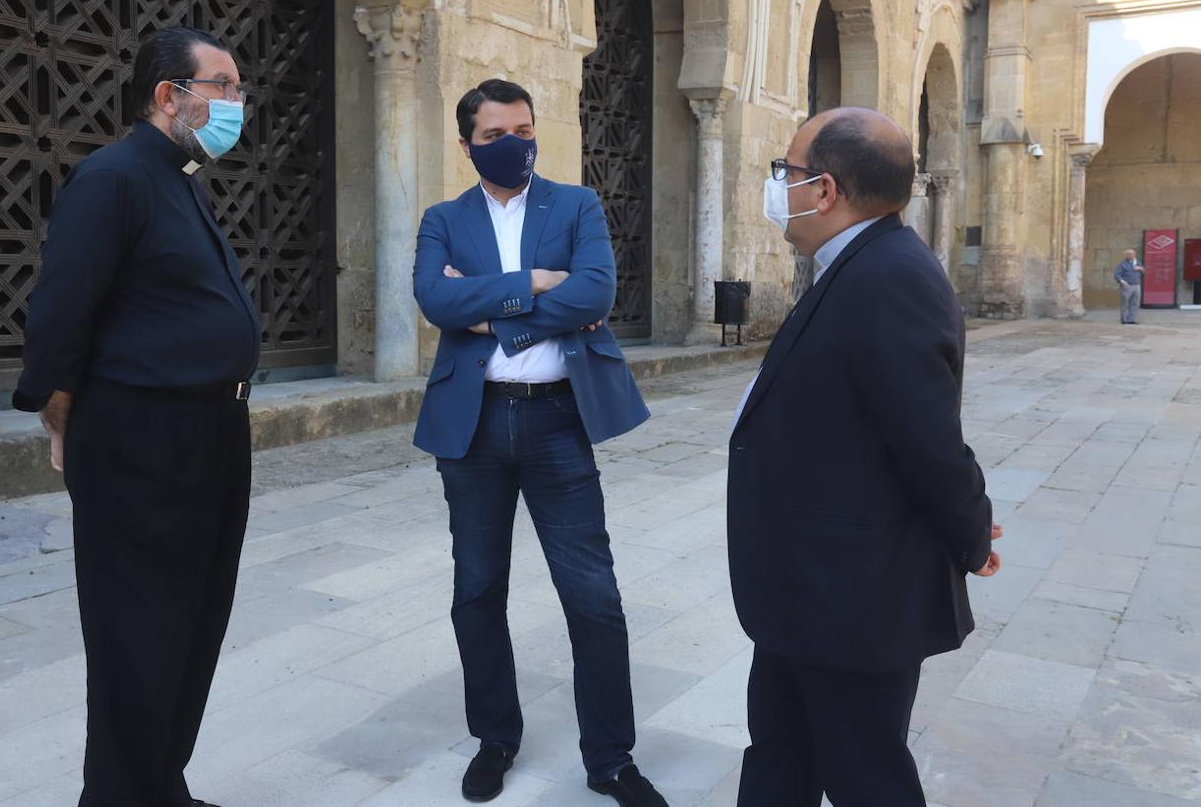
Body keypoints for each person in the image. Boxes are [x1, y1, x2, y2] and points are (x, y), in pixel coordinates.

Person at [12, 26, 260, 807]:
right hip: (144, 440)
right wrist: (61, 416)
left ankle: (162, 788)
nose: (236, 102)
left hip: (212, 434)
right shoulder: (113, 177)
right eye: (222, 85)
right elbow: (60, 315)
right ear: (169, 95)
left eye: (236, 87)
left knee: (192, 625)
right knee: (138, 632)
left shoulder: (183, 179)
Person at [727, 107, 1003, 807]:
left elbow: (929, 441)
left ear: (825, 191)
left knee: (864, 773)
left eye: (785, 172)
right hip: (807, 589)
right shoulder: (853, 264)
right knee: (780, 755)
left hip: (851, 597)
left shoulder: (889, 277)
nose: (777, 185)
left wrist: (970, 534)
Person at [412, 79, 666, 807]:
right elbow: (435, 299)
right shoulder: (443, 219)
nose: (512, 144)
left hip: (558, 419)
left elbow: (593, 294)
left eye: (522, 129)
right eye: (494, 135)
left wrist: (494, 313)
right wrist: (531, 282)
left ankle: (611, 758)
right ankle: (495, 739)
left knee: (593, 594)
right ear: (467, 145)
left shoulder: (576, 204)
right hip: (475, 424)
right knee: (477, 589)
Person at [1114, 248, 1144, 324]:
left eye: (1133, 254)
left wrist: (1140, 268)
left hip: (1136, 285)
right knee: (1125, 303)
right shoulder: (1122, 264)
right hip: (1127, 285)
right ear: (1126, 256)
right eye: (1130, 254)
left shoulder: (1137, 262)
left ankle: (1131, 319)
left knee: (1135, 303)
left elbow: (1143, 271)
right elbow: (1117, 274)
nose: (1132, 255)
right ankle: (1124, 319)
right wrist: (1122, 282)